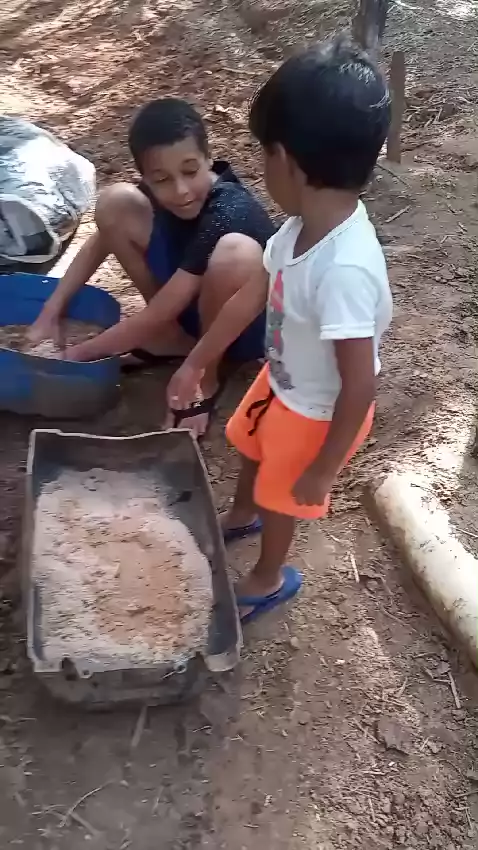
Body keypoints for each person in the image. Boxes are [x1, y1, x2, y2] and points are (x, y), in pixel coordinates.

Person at [167, 38, 393, 623]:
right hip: (285, 380)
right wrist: (197, 360)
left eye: (262, 154)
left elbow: (360, 385)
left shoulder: (345, 270)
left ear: (286, 160)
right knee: (251, 445)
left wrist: (324, 468)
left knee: (283, 492)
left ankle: (268, 576)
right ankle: (244, 515)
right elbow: (252, 295)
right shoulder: (297, 229)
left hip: (319, 411)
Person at [28, 98, 275, 435]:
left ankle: (206, 376)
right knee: (115, 202)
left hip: (245, 329)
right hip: (191, 306)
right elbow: (100, 240)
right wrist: (50, 311)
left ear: (208, 159)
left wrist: (77, 354)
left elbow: (162, 309)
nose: (181, 190)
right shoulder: (163, 193)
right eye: (162, 179)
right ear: (146, 176)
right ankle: (171, 339)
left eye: (190, 171)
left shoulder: (230, 210)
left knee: (235, 254)